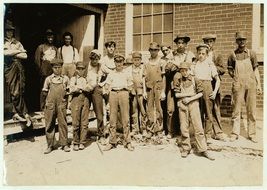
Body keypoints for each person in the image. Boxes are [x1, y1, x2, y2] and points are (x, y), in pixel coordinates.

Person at [174, 61, 215, 160]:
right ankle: (186, 148)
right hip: (182, 105)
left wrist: (190, 98)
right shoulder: (178, 80)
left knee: (198, 127)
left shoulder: (195, 79)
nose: (184, 72)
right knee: (184, 127)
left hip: (193, 104)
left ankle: (203, 149)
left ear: (189, 70)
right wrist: (189, 94)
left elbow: (200, 94)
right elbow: (177, 95)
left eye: (186, 70)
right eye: (182, 71)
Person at [227, 31, 262, 143]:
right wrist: (236, 79)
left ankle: (252, 134)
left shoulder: (252, 54)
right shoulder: (232, 55)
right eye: (239, 40)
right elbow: (230, 69)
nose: (241, 42)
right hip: (238, 84)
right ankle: (234, 133)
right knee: (236, 109)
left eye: (243, 39)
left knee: (251, 110)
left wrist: (259, 85)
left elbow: (255, 69)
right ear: (236, 41)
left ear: (246, 41)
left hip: (251, 84)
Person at [191, 43, 226, 142]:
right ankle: (200, 134)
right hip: (197, 88)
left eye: (203, 53)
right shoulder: (194, 64)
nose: (201, 55)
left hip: (207, 87)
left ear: (206, 55)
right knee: (198, 112)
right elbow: (192, 77)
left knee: (208, 112)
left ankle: (208, 134)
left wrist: (214, 92)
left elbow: (217, 79)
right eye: (199, 53)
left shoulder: (210, 64)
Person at [102, 54, 134, 151]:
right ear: (114, 62)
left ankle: (127, 141)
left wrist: (126, 89)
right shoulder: (111, 73)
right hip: (113, 94)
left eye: (120, 61)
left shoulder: (127, 73)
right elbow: (107, 85)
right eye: (117, 61)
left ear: (123, 62)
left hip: (124, 93)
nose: (119, 63)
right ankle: (112, 141)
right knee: (112, 119)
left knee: (125, 119)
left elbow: (131, 85)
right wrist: (106, 91)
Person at [4, 22, 31, 126]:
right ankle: (24, 114)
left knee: (20, 90)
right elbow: (4, 53)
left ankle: (17, 113)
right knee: (14, 91)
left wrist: (12, 52)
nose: (9, 33)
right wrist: (17, 51)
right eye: (7, 31)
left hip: (19, 68)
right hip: (9, 68)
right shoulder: (3, 42)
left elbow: (25, 56)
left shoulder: (17, 42)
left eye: (11, 31)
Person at [42, 58, 70, 154]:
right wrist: (44, 105)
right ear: (52, 68)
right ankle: (50, 145)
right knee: (49, 124)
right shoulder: (48, 79)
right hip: (50, 105)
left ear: (62, 67)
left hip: (61, 104)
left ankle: (64, 144)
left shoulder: (65, 79)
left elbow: (68, 93)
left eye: (59, 67)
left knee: (63, 124)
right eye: (55, 67)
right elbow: (44, 93)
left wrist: (67, 104)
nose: (57, 69)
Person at [202, 34, 226, 139]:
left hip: (214, 84)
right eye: (207, 42)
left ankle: (218, 132)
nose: (208, 44)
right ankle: (206, 132)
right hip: (204, 85)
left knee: (215, 108)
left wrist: (212, 66)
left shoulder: (217, 55)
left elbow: (223, 69)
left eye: (211, 41)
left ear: (213, 42)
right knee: (205, 109)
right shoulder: (202, 55)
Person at [143, 42, 166, 139]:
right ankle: (150, 129)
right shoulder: (146, 63)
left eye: (155, 50)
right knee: (150, 109)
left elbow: (164, 77)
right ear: (149, 51)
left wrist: (163, 91)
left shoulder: (161, 62)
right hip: (149, 88)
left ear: (158, 51)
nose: (153, 52)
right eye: (152, 50)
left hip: (158, 87)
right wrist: (144, 91)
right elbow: (143, 78)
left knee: (159, 109)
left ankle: (159, 129)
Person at [69, 61, 90, 151]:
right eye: (79, 69)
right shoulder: (73, 79)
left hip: (85, 99)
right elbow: (71, 88)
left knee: (84, 122)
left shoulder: (86, 78)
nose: (80, 70)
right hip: (76, 99)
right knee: (76, 122)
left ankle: (82, 142)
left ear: (84, 70)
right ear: (76, 69)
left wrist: (80, 88)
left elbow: (89, 88)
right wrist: (80, 88)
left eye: (82, 69)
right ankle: (76, 142)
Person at [34, 29, 57, 110]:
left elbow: (56, 60)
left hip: (53, 70)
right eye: (48, 37)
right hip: (44, 70)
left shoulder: (55, 48)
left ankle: (50, 107)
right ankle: (42, 107)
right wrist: (41, 70)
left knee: (53, 88)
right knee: (44, 89)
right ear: (45, 37)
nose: (50, 39)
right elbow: (37, 61)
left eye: (52, 37)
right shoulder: (41, 47)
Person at [86, 50, 105, 143]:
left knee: (99, 114)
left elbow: (110, 74)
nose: (95, 61)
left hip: (96, 90)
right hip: (86, 90)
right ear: (90, 59)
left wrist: (102, 83)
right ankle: (83, 134)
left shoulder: (101, 66)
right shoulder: (86, 66)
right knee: (84, 113)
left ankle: (101, 134)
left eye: (97, 59)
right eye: (93, 59)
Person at [128, 52, 147, 137]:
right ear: (132, 60)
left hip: (140, 90)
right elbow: (128, 80)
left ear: (141, 60)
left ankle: (144, 128)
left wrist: (144, 91)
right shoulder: (129, 69)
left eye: (138, 60)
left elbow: (143, 80)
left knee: (142, 110)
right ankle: (135, 129)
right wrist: (130, 89)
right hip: (133, 91)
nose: (136, 62)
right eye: (135, 60)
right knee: (134, 110)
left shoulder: (142, 68)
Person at [161, 44, 176, 139]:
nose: (165, 52)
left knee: (177, 109)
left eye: (166, 50)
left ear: (170, 49)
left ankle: (176, 130)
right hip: (166, 85)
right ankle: (168, 130)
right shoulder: (162, 60)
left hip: (176, 85)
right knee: (168, 108)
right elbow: (163, 75)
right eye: (163, 51)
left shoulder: (175, 57)